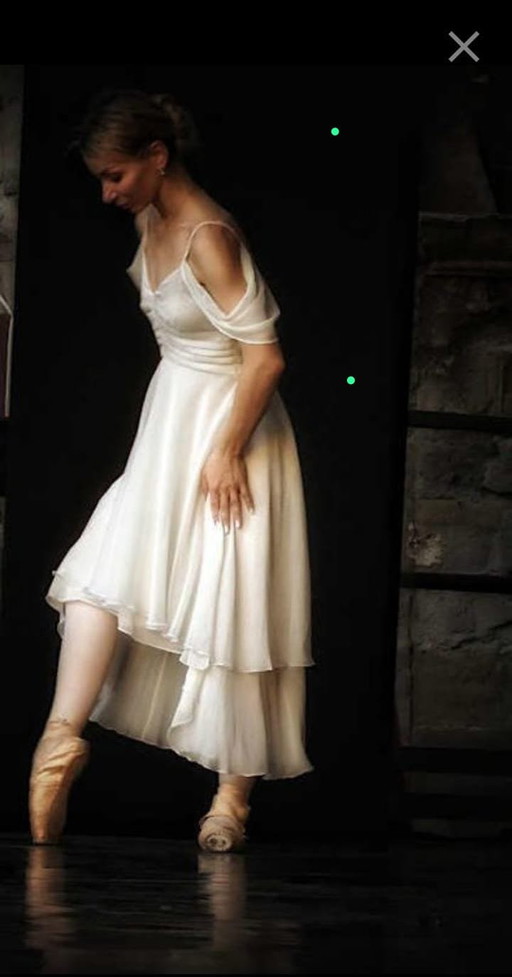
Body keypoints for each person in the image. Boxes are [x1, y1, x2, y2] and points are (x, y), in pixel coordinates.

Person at [28, 88, 314, 852]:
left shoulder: (209, 235)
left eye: (116, 175)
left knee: (232, 595)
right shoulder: (150, 220)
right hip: (170, 424)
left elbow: (266, 357)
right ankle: (58, 741)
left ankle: (230, 803)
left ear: (157, 157)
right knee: (100, 576)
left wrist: (225, 450)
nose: (108, 193)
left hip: (232, 426)